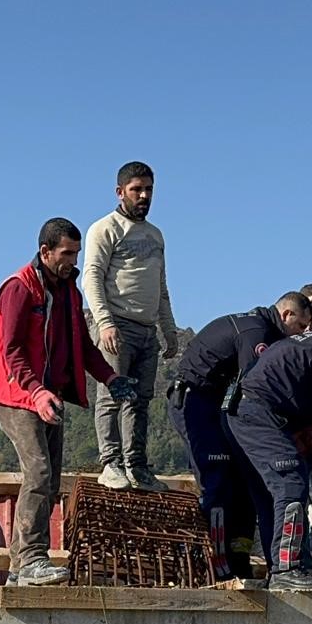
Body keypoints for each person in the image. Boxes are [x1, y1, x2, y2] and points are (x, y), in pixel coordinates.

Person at [0, 217, 120, 586]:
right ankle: (32, 559)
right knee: (39, 472)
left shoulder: (68, 292)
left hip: (51, 396)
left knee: (48, 480)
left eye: (76, 253)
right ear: (45, 252)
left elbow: (82, 345)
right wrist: (36, 390)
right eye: (66, 253)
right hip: (19, 396)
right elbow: (10, 351)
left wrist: (110, 378)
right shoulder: (19, 289)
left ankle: (19, 569)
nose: (73, 261)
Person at [168, 293, 311, 578]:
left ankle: (238, 557)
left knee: (242, 480)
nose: (303, 333)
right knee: (218, 481)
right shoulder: (256, 332)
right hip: (196, 401)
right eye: (301, 325)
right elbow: (254, 385)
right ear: (286, 315)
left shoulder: (260, 326)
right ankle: (218, 567)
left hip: (216, 403)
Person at [225, 313, 312, 591]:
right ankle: (286, 567)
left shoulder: (304, 341)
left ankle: (280, 563)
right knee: (291, 484)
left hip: (242, 409)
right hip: (260, 413)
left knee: (277, 487)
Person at [83, 161, 181, 491]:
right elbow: (92, 277)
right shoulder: (104, 228)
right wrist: (104, 322)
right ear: (120, 191)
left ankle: (136, 466)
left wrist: (169, 329)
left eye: (148, 189)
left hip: (146, 328)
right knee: (113, 395)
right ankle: (110, 463)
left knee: (140, 401)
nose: (143, 195)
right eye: (137, 189)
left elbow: (161, 284)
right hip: (117, 324)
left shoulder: (156, 235)